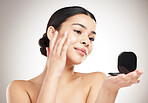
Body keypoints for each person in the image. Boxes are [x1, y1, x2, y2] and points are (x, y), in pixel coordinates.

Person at [6, 6, 144, 103]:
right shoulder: (19, 88)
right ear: (52, 33)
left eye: (91, 38)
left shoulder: (96, 80)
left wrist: (109, 90)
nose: (86, 41)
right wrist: (53, 75)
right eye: (78, 31)